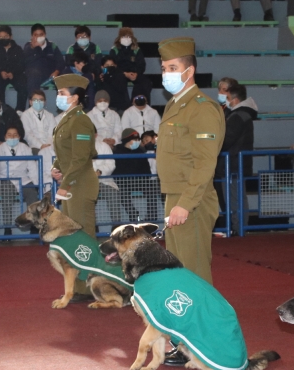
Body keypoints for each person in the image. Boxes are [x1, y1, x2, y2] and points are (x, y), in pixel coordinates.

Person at [156, 36, 224, 285]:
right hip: (175, 196)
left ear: (189, 71)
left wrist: (185, 204)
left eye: (172, 68)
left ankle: (204, 322)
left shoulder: (202, 108)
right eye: (164, 69)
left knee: (193, 270)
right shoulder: (174, 106)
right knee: (178, 267)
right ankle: (187, 320)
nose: (166, 74)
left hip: (192, 199)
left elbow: (205, 163)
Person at [51, 73, 98, 297]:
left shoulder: (80, 120)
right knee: (72, 237)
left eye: (62, 93)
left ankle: (93, 284)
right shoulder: (68, 118)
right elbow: (66, 153)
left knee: (84, 238)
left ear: (75, 97)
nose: (58, 97)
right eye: (58, 93)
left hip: (79, 185)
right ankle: (79, 287)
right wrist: (56, 166)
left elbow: (81, 158)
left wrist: (65, 184)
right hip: (71, 183)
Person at [0, 126, 39, 237]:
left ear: (19, 137)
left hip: (24, 179)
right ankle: (7, 228)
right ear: (5, 136)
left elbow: (32, 167)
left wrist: (36, 184)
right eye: (9, 135)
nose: (12, 137)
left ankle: (33, 226)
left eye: (15, 135)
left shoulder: (25, 148)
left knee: (33, 196)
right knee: (7, 197)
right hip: (6, 179)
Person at [220, 82, 256, 234]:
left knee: (235, 199)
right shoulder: (242, 115)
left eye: (227, 97)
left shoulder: (237, 116)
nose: (225, 99)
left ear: (234, 100)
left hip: (233, 164)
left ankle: (238, 229)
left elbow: (227, 139)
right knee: (237, 198)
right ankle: (239, 228)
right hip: (236, 164)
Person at [20, 90, 56, 188]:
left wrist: (47, 145)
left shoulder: (50, 115)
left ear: (45, 102)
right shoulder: (25, 115)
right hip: (34, 147)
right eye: (35, 100)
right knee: (41, 160)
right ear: (30, 102)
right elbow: (27, 134)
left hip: (49, 145)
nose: (38, 102)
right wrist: (41, 145)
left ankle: (52, 186)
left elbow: (52, 133)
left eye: (41, 100)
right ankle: (42, 186)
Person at [0, 25, 27, 111]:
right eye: (0, 37)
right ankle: (2, 110)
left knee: (23, 87)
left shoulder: (17, 49)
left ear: (10, 36)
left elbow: (21, 64)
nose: (3, 39)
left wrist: (13, 73)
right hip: (0, 75)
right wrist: (1, 72)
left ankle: (19, 111)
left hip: (15, 75)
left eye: (5, 36)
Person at [109, 27, 151, 102]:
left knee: (146, 82)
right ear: (119, 38)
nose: (126, 38)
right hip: (120, 74)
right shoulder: (114, 50)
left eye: (128, 36)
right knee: (119, 80)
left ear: (132, 38)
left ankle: (139, 103)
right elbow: (112, 66)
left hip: (134, 73)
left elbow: (141, 65)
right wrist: (124, 73)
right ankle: (124, 105)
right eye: (124, 36)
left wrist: (136, 73)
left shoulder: (136, 49)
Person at [23, 23, 65, 93]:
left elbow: (61, 61)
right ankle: (33, 102)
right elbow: (24, 61)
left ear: (45, 35)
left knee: (63, 78)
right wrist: (33, 48)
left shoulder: (52, 46)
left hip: (51, 74)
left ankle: (62, 102)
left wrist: (56, 71)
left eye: (41, 34)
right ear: (32, 36)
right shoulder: (28, 46)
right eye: (36, 35)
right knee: (33, 74)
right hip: (34, 74)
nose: (39, 37)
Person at [94, 138, 121, 225]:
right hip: (87, 181)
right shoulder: (79, 145)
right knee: (87, 200)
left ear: (96, 135)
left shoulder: (104, 146)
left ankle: (116, 226)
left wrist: (99, 172)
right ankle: (92, 227)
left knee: (113, 194)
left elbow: (111, 164)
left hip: (105, 180)